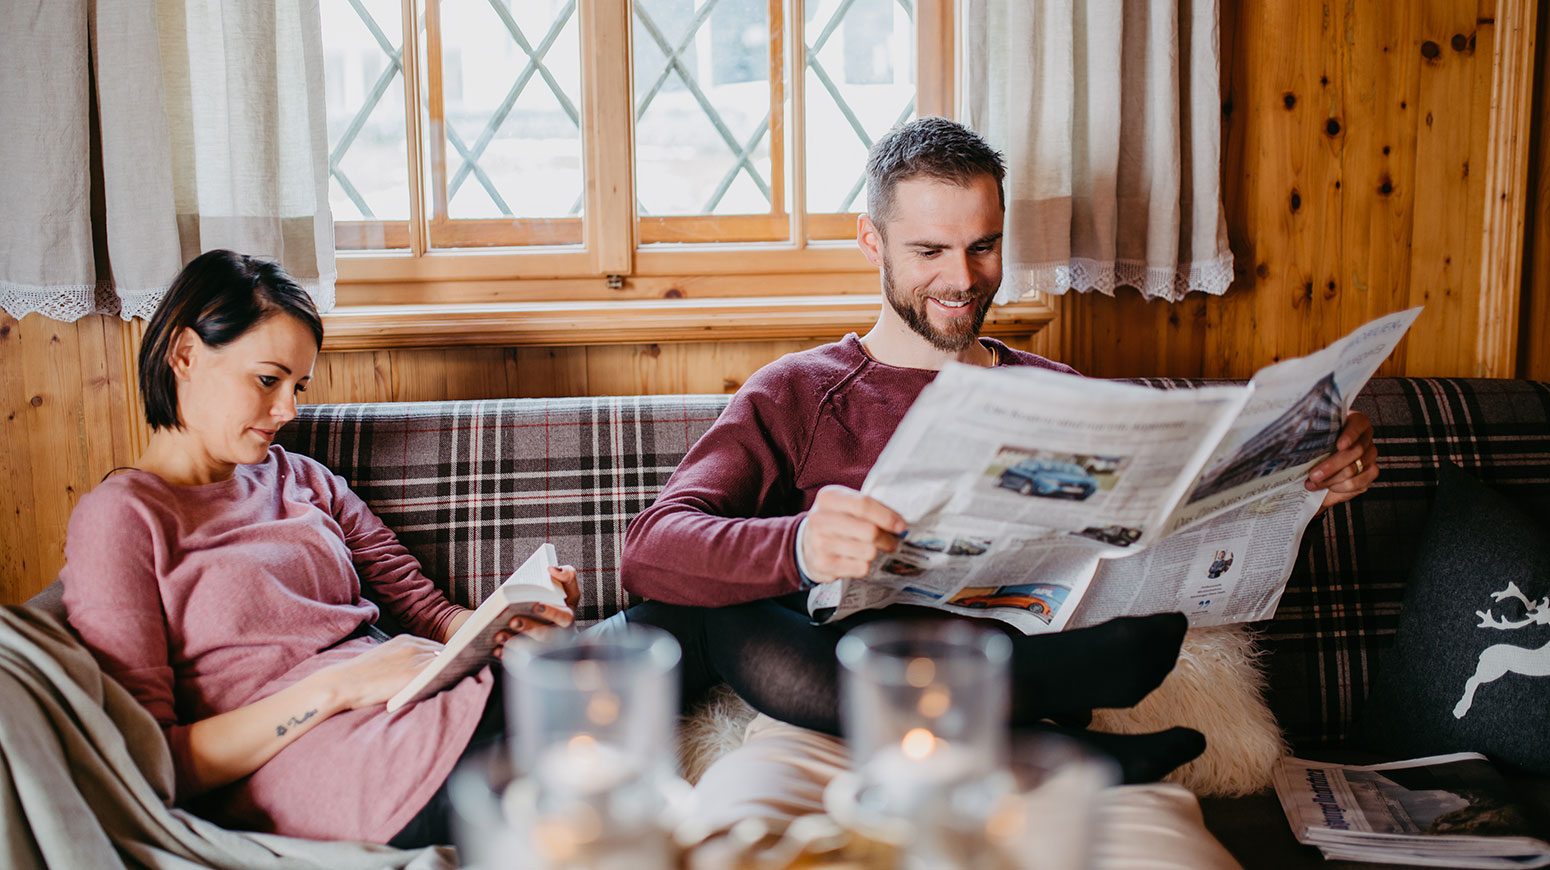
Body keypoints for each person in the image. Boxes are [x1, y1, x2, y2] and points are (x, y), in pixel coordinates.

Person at [621, 117, 1379, 780]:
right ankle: (1053, 718)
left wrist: (1300, 483)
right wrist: (802, 544)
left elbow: (1160, 540)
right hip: (859, 657)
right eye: (929, 251)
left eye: (984, 247)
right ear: (870, 240)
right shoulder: (800, 392)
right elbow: (652, 551)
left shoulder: (1060, 390)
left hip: (1004, 633)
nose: (962, 280)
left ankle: (1044, 719)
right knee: (733, 609)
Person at [59, 250, 583, 847]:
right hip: (354, 778)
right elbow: (144, 760)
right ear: (184, 355)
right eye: (267, 379)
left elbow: (428, 612)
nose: (289, 410)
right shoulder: (122, 517)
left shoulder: (301, 477)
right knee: (622, 679)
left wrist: (512, 617)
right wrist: (341, 686)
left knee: (685, 625)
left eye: (298, 385)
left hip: (434, 701)